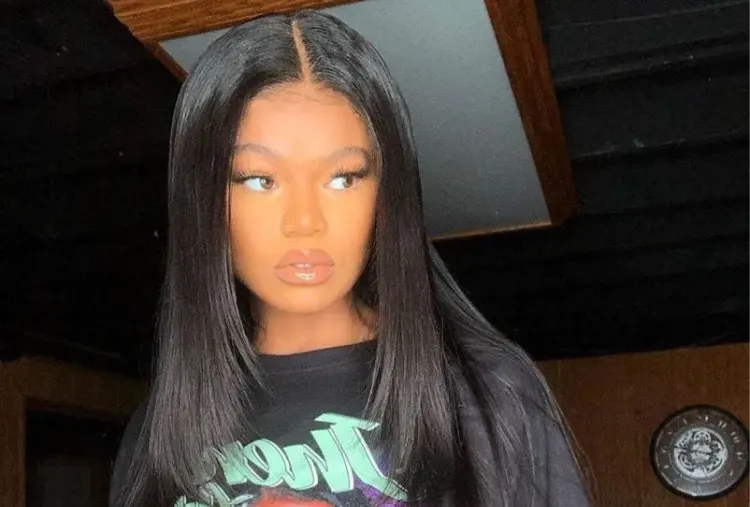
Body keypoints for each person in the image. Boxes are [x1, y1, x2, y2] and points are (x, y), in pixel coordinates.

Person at [109, 10, 591, 507]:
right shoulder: (155, 434)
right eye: (258, 179)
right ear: (203, 201)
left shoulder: (487, 396)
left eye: (343, 178)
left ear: (386, 193)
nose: (305, 221)